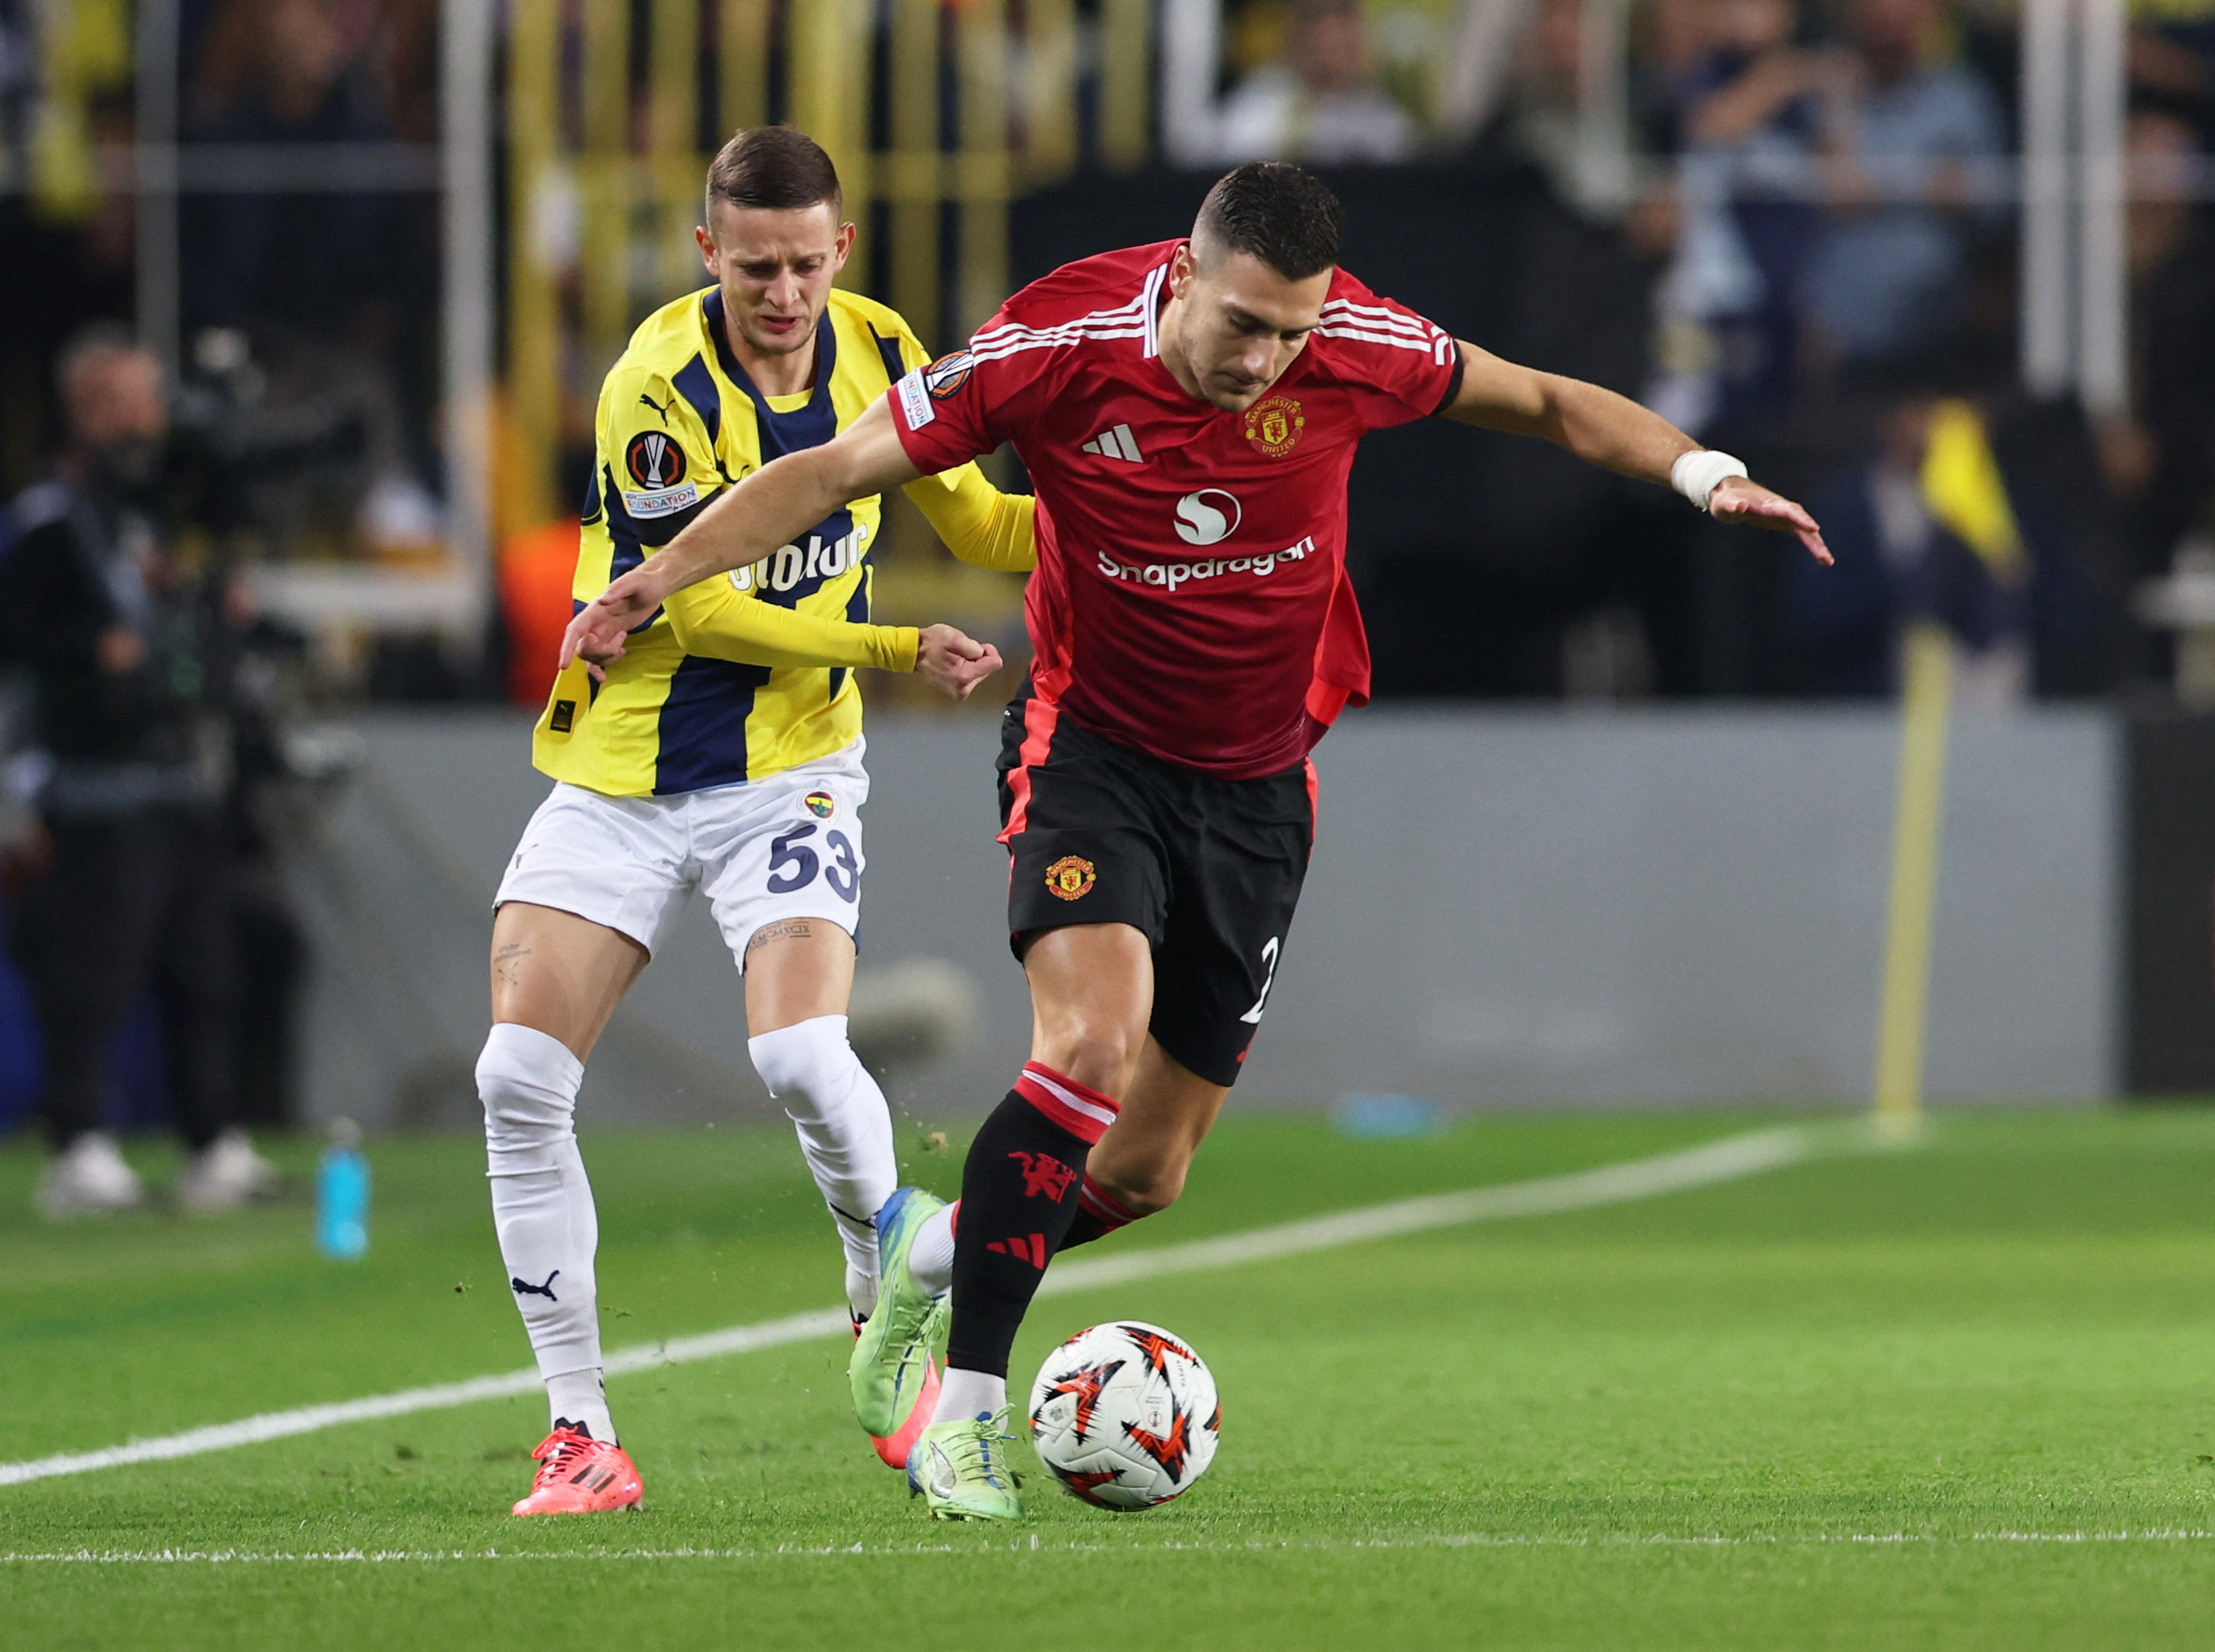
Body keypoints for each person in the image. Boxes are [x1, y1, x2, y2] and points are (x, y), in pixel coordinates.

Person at [560, 161, 1831, 1522]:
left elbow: (1547, 401)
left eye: (1292, 329)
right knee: (1090, 1048)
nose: (1267, 358)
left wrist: (1708, 475)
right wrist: (651, 578)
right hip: (1090, 753)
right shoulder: (1051, 351)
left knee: (1146, 1170)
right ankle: (966, 1418)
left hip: (1261, 784)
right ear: (1182, 276)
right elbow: (826, 468)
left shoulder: (1354, 348)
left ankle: (932, 1254)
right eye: (1243, 325)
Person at [480, 125, 1028, 1518]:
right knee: (514, 1083)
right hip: (622, 770)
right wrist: (895, 649)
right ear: (708, 251)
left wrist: (1121, 509)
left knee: (794, 1046)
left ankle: (873, 1264)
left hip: (791, 766)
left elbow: (971, 516)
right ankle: (580, 1433)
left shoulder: (880, 340)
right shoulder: (654, 386)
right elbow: (698, 598)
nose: (781, 293)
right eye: (754, 266)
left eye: (803, 264)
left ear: (839, 251)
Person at [0, 327, 279, 1217]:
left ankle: (213, 1142)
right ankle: (77, 1145)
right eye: (135, 396)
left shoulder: (151, 509)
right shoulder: (51, 517)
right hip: (94, 780)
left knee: (204, 966)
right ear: (91, 408)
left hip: (174, 771)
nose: (155, 412)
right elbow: (17, 633)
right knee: (94, 970)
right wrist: (92, 651)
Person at [1214, 0, 1419, 165]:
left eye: (1343, 44)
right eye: (1323, 42)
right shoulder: (1260, 105)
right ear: (1299, 42)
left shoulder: (1380, 114)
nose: (1333, 55)